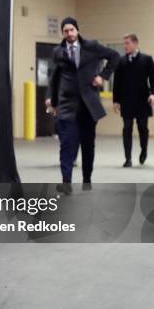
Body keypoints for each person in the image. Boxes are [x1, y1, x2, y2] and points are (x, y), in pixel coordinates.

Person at [45, 17, 119, 194]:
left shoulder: (91, 46)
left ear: (77, 30)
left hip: (88, 105)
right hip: (67, 105)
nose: (69, 33)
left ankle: (87, 179)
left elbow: (115, 56)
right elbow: (54, 78)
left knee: (88, 145)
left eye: (71, 30)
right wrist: (52, 101)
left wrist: (103, 76)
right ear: (62, 33)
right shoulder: (58, 52)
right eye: (65, 31)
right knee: (67, 144)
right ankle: (66, 182)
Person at [112, 33, 154, 167]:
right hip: (126, 101)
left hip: (143, 100)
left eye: (127, 43)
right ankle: (128, 158)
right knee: (127, 128)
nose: (125, 46)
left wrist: (153, 94)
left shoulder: (147, 59)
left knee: (142, 128)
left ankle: (144, 150)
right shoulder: (121, 61)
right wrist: (116, 101)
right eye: (124, 43)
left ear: (135, 43)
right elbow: (117, 83)